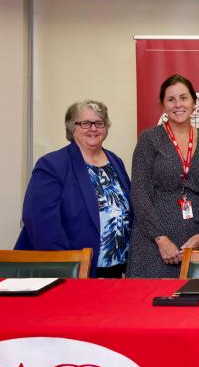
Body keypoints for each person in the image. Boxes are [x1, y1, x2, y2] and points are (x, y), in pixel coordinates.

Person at [15, 100, 131, 278]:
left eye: (99, 123)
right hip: (72, 271)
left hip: (114, 269)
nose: (93, 128)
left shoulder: (115, 161)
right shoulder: (52, 165)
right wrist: (68, 266)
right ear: (71, 127)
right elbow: (40, 222)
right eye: (85, 123)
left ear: (106, 128)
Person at [127, 74, 199, 278]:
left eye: (184, 98)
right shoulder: (149, 139)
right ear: (163, 105)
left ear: (194, 102)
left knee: (198, 306)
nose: (178, 104)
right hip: (154, 242)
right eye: (171, 99)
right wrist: (160, 239)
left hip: (196, 239)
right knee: (151, 304)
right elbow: (139, 192)